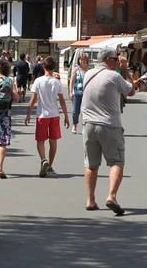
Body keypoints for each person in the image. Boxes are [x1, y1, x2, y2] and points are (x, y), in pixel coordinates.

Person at [81, 48, 135, 215]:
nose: (118, 62)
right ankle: (111, 196)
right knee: (116, 162)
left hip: (88, 124)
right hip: (109, 124)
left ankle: (90, 200)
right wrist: (125, 69)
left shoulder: (88, 74)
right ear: (109, 60)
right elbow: (131, 91)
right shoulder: (114, 76)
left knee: (91, 164)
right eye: (116, 59)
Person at [25, 56, 70, 177]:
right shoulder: (57, 82)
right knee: (53, 140)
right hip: (54, 114)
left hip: (42, 115)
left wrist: (28, 114)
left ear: (43, 67)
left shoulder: (38, 81)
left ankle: (43, 159)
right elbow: (62, 101)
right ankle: (49, 164)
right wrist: (66, 115)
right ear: (54, 67)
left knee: (40, 140)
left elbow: (33, 99)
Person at [69, 53, 89, 134]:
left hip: (86, 94)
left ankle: (84, 127)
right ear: (79, 61)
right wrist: (70, 92)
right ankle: (74, 125)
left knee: (85, 112)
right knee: (75, 111)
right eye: (81, 60)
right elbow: (72, 81)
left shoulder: (88, 70)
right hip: (76, 93)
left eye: (84, 60)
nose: (82, 61)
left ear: (86, 61)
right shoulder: (75, 70)